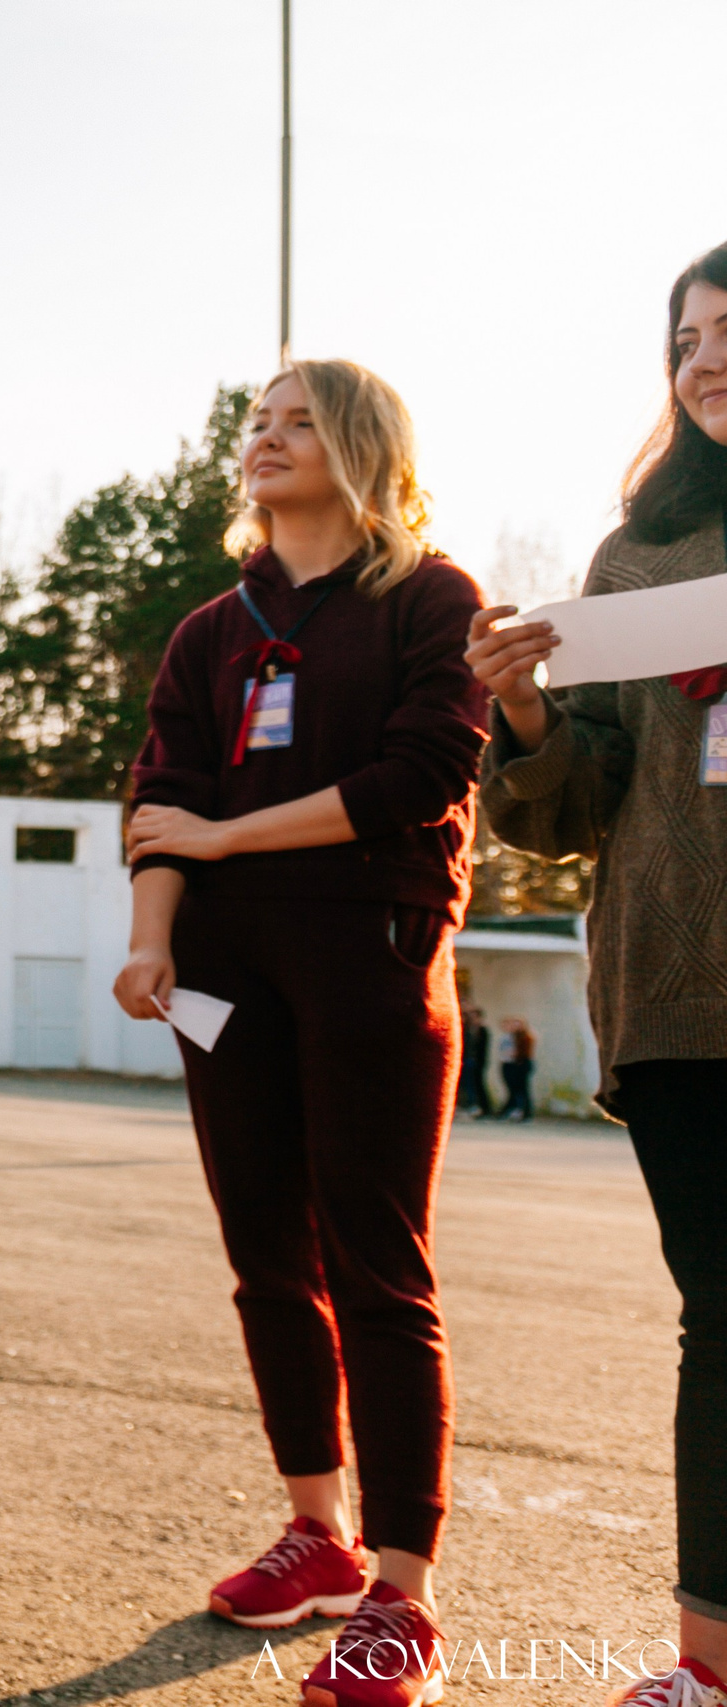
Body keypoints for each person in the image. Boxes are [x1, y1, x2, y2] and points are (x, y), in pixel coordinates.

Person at [109, 361, 483, 1705]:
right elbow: (161, 793)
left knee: (376, 1264)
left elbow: (419, 776)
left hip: (370, 951)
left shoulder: (432, 596)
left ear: (365, 446)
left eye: (299, 421)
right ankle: (316, 1531)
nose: (264, 439)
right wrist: (151, 936)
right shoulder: (213, 628)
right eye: (255, 422)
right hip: (223, 969)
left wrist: (226, 839)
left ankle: (402, 1595)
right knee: (266, 1254)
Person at [468, 244, 727, 1707]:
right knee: (724, 1323)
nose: (706, 361)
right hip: (682, 999)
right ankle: (710, 1667)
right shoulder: (635, 561)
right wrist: (524, 711)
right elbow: (572, 810)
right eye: (685, 340)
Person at [495, 1018, 537, 1122]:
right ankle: (513, 1109)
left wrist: (515, 1055)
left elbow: (523, 1052)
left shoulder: (525, 1037)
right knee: (515, 1089)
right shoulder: (514, 1037)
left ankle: (524, 1112)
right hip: (514, 1063)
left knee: (522, 1089)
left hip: (521, 1064)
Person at [456, 1005, 494, 1117]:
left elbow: (481, 1048)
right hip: (467, 1060)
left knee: (475, 1085)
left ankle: (481, 1107)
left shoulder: (481, 1030)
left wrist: (477, 1061)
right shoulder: (468, 1029)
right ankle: (474, 1106)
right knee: (468, 1084)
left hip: (475, 1061)